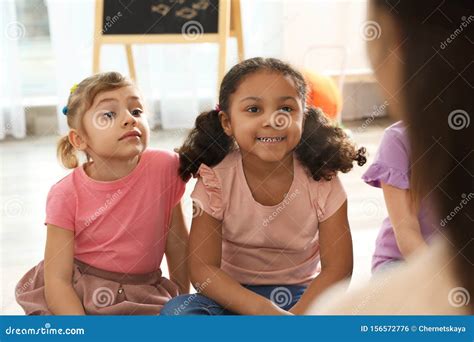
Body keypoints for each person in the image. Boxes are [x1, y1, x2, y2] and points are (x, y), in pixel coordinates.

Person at [161, 57, 366, 315]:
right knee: (178, 312)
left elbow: (338, 270)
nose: (273, 120)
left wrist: (294, 323)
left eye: (287, 109)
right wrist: (265, 313)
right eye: (254, 110)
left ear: (304, 116)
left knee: (360, 312)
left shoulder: (322, 178)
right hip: (231, 297)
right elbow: (203, 271)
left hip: (303, 298)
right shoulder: (215, 178)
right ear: (227, 122)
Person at [309, 0, 473, 314]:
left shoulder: (343, 314)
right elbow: (406, 230)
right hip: (401, 260)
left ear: (393, 41)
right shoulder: (398, 141)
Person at [15, 72, 189, 315]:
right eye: (109, 115)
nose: (129, 119)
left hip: (144, 291)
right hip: (79, 293)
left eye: (136, 111)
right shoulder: (65, 194)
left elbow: (177, 241)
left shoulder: (165, 167)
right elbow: (57, 281)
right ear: (80, 139)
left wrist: (182, 299)